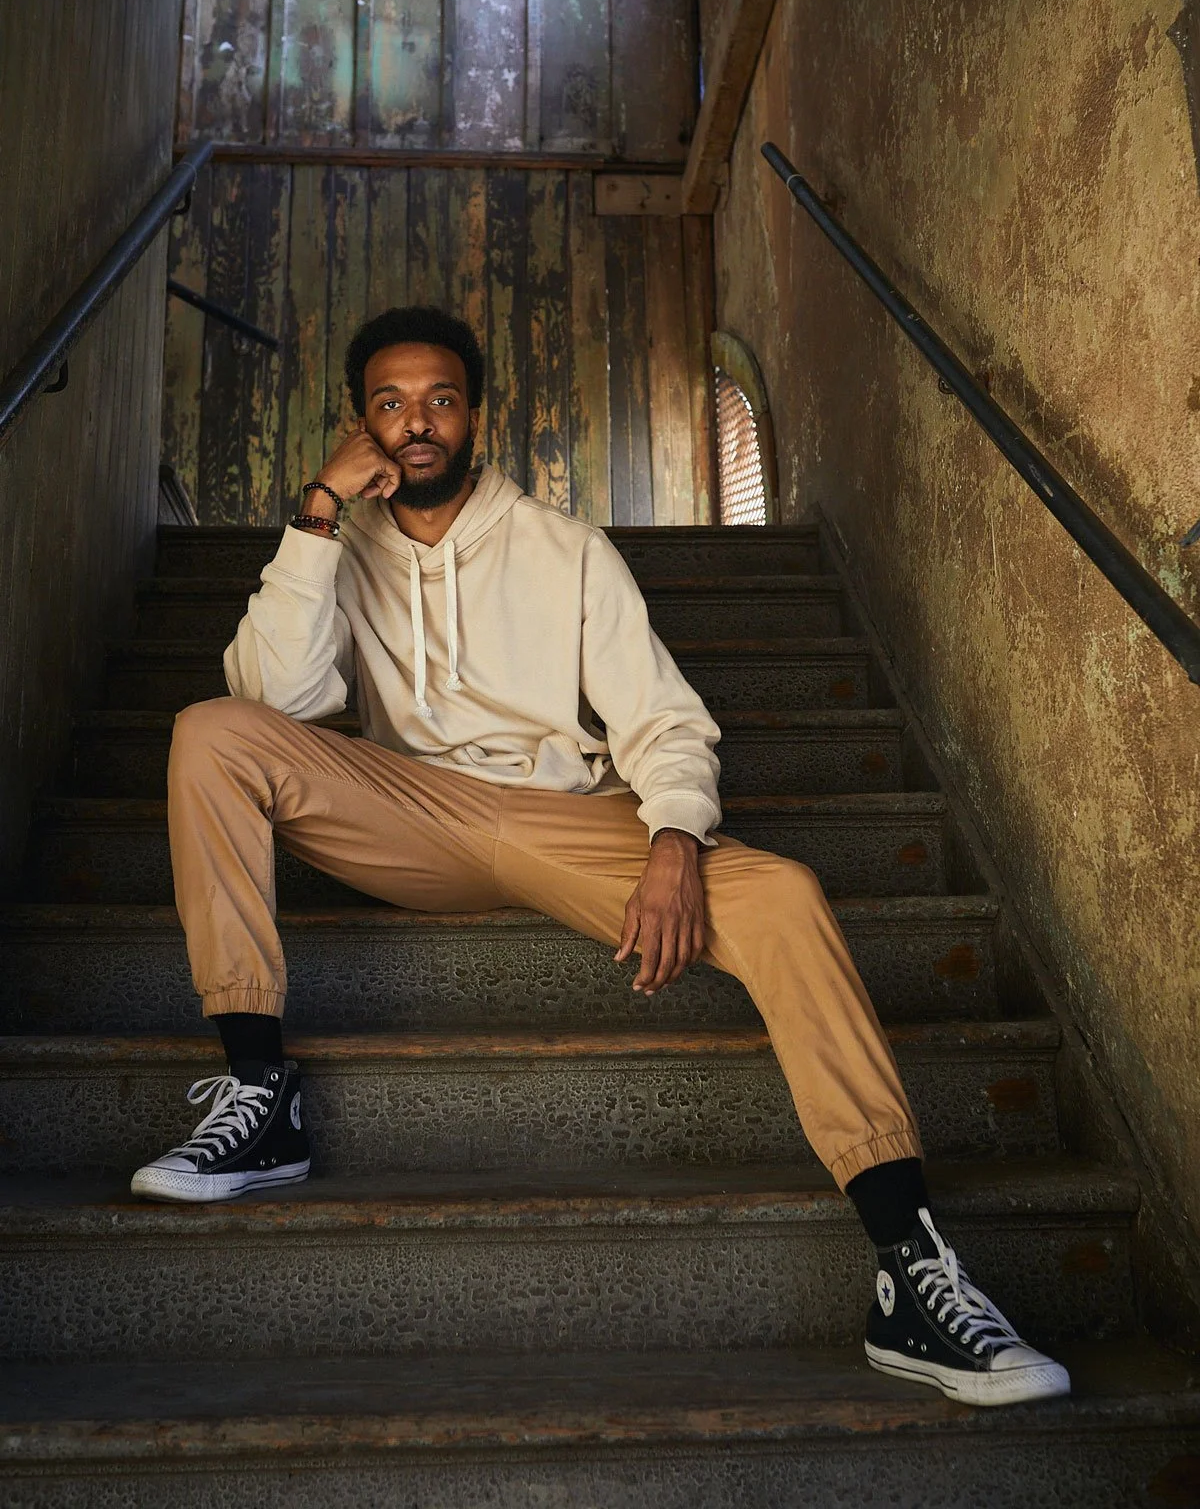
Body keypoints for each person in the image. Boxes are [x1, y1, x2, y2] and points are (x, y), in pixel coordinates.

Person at [131, 306, 1070, 1408]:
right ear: (363, 424)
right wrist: (318, 513)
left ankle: (909, 1267)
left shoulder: (566, 550)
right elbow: (278, 705)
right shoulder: (334, 547)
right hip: (406, 814)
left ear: (474, 414)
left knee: (784, 896)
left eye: (439, 399)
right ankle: (259, 1090)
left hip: (565, 819)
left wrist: (675, 837)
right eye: (390, 404)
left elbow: (665, 719)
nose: (417, 423)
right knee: (211, 732)